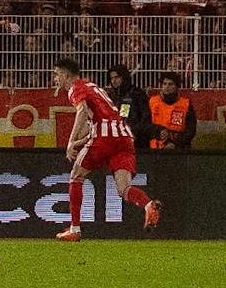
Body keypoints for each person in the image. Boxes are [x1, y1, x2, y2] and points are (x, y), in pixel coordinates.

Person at [53, 56, 160, 242]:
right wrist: (79, 143)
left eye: (56, 75)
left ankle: (75, 229)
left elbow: (82, 111)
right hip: (125, 138)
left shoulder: (75, 88)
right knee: (123, 188)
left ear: (64, 74)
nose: (55, 79)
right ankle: (148, 205)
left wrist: (70, 142)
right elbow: (94, 122)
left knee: (76, 176)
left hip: (104, 138)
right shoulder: (95, 88)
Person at [105, 63, 154, 149]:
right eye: (111, 78)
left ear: (124, 77)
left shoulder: (137, 94)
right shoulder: (111, 97)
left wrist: (135, 133)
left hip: (137, 142)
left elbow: (145, 119)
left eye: (116, 77)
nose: (113, 81)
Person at [148, 73, 196, 151]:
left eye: (170, 84)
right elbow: (145, 125)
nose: (167, 87)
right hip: (154, 150)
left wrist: (176, 144)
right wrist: (158, 131)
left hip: (178, 150)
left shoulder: (185, 104)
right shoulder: (152, 102)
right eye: (164, 84)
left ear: (177, 87)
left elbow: (191, 130)